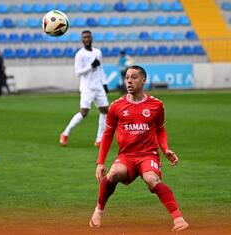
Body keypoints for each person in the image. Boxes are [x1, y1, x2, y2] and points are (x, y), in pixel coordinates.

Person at [89, 65, 189, 232]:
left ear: (143, 80)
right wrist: (100, 163)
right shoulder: (116, 106)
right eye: (127, 77)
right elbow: (107, 134)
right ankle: (98, 210)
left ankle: (178, 219)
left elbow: (160, 130)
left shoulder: (156, 105)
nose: (129, 80)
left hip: (148, 155)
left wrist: (165, 150)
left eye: (134, 77)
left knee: (152, 180)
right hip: (126, 156)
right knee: (113, 174)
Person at [60, 30, 109, 148]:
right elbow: (78, 72)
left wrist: (105, 83)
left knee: (105, 111)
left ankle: (99, 139)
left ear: (92, 38)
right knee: (84, 113)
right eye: (84, 37)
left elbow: (100, 68)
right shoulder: (80, 54)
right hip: (87, 87)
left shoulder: (98, 52)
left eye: (88, 37)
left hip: (98, 86)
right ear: (82, 40)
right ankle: (65, 133)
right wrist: (90, 66)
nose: (86, 39)